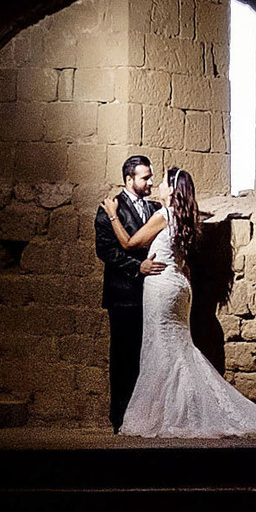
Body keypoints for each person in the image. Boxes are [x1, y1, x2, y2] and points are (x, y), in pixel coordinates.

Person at [98, 165, 256, 438]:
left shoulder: (164, 213)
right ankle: (180, 410)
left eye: (163, 182)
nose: (157, 184)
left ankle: (173, 415)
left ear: (172, 189)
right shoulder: (185, 216)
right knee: (177, 350)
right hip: (180, 287)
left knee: (162, 349)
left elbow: (130, 244)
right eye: (149, 178)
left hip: (163, 288)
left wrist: (112, 216)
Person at [95, 155, 168, 430]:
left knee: (148, 356)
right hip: (124, 296)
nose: (150, 182)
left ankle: (146, 419)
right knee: (124, 357)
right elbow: (106, 251)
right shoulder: (108, 209)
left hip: (153, 295)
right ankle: (121, 419)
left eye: (150, 177)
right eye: (145, 178)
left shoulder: (155, 208)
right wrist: (140, 267)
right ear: (129, 180)